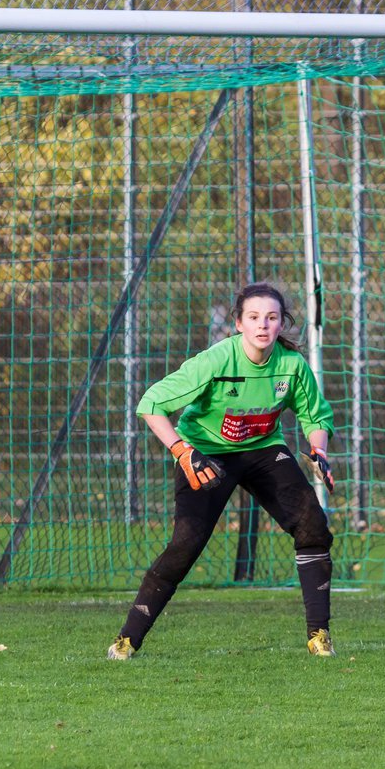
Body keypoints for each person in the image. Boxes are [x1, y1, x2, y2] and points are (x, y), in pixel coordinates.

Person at [107, 282, 338, 659]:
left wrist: (319, 449)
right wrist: (182, 451)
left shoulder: (291, 366)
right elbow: (151, 403)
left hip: (263, 451)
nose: (263, 325)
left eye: (272, 317)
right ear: (238, 324)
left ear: (282, 324)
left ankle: (319, 636)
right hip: (206, 453)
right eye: (253, 317)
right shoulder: (216, 360)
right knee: (186, 545)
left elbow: (316, 416)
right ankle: (127, 639)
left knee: (312, 525)